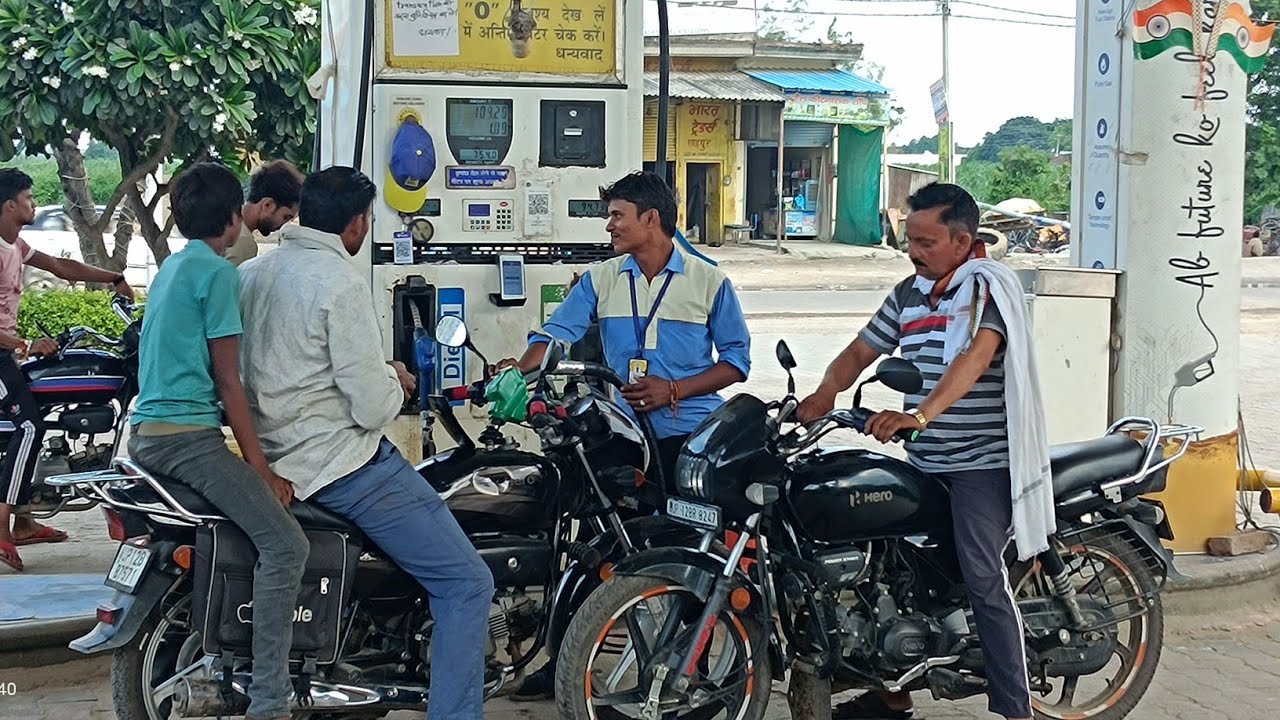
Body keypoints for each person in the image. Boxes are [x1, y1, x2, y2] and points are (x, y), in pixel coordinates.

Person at [237, 166, 494, 720]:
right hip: (341, 466)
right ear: (356, 225)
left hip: (273, 456)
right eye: (370, 219)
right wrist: (394, 379)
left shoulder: (254, 273)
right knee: (468, 582)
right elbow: (372, 407)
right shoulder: (339, 283)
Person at [796, 183, 1053, 720]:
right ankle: (895, 691)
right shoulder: (908, 293)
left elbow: (975, 359)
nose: (914, 251)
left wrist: (919, 415)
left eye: (927, 242)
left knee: (984, 578)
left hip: (982, 466)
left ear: (963, 242)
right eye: (910, 240)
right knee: (895, 571)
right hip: (926, 462)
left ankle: (1015, 707)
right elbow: (862, 350)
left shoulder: (989, 291)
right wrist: (824, 393)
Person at [501, 170, 752, 701]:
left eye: (617, 215)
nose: (609, 225)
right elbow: (555, 336)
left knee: (689, 559)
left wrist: (674, 390)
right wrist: (516, 375)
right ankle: (565, 661)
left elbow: (736, 363)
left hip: (689, 443)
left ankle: (690, 672)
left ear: (651, 219)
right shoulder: (602, 277)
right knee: (597, 550)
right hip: (623, 442)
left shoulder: (709, 280)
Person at [128, 162, 308, 720]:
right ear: (235, 218)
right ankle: (270, 702)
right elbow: (229, 381)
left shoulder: (175, 266)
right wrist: (260, 467)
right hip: (186, 439)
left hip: (146, 433)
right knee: (287, 546)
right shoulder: (220, 273)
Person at [0, 169, 136, 573]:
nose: (33, 204)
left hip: (5, 355)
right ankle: (3, 525)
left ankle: (24, 519)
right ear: (9, 205)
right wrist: (22, 345)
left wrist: (114, 277)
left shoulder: (15, 244)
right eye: (27, 198)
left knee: (38, 413)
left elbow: (62, 266)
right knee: (28, 428)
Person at [223, 159, 304, 267]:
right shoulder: (243, 241)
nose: (283, 226)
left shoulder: (223, 224)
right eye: (285, 217)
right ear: (267, 205)